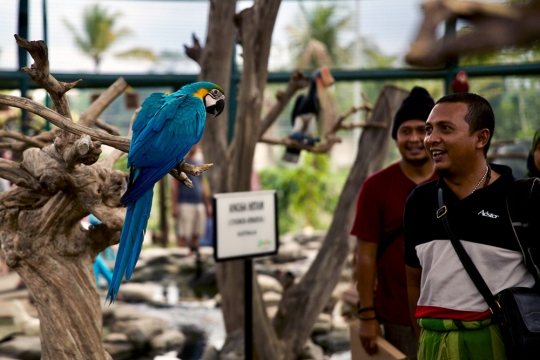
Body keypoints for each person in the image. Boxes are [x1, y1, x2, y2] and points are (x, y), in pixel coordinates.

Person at [404, 92, 540, 360]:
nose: (431, 139)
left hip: (499, 341)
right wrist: (422, 341)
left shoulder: (523, 198)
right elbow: (413, 280)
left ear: (481, 138)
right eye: (429, 130)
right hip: (432, 341)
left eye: (446, 129)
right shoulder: (419, 201)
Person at [351, 86, 438, 359]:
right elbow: (364, 256)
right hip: (397, 314)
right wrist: (367, 315)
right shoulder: (376, 186)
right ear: (395, 137)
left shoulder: (454, 181)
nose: (414, 138)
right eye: (405, 131)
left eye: (422, 130)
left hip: (450, 312)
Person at [171, 144, 212, 252]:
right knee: (183, 234)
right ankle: (180, 257)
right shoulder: (181, 162)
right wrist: (174, 206)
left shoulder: (199, 162)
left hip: (199, 203)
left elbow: (202, 185)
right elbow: (175, 185)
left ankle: (195, 261)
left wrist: (207, 204)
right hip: (185, 203)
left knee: (197, 233)